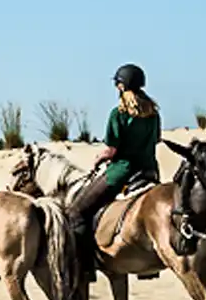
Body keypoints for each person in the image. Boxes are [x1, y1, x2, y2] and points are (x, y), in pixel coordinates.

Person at [66, 65, 162, 266]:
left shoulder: (118, 113)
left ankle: (85, 265)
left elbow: (111, 150)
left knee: (76, 212)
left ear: (121, 86)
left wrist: (99, 159)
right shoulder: (153, 113)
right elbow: (156, 141)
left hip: (122, 172)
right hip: (150, 171)